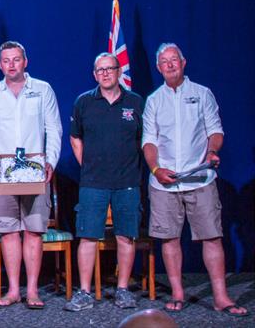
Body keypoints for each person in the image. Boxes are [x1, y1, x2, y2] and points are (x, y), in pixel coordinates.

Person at [143, 43, 248, 317]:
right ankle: (177, 293)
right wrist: (155, 169)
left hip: (200, 178)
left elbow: (215, 131)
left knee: (212, 237)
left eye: (174, 60)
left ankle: (221, 297)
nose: (169, 65)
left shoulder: (202, 94)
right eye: (164, 61)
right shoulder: (154, 100)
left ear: (183, 62)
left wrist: (212, 151)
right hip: (164, 183)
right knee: (169, 239)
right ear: (158, 68)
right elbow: (149, 142)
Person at [0, 41, 62, 309]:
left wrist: (50, 161)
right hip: (3, 174)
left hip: (36, 172)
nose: (11, 64)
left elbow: (54, 129)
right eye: (6, 60)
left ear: (25, 61)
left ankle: (33, 291)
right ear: (0, 64)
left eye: (16, 59)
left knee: (34, 230)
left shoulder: (43, 90)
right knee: (8, 231)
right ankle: (14, 290)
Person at [64, 53, 144, 312]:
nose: (106, 73)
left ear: (119, 71)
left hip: (128, 181)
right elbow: (75, 139)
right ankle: (85, 292)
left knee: (125, 236)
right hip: (93, 182)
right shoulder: (84, 102)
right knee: (87, 236)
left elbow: (145, 140)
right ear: (94, 74)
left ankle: (122, 290)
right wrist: (88, 166)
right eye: (100, 70)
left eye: (110, 69)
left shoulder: (135, 102)